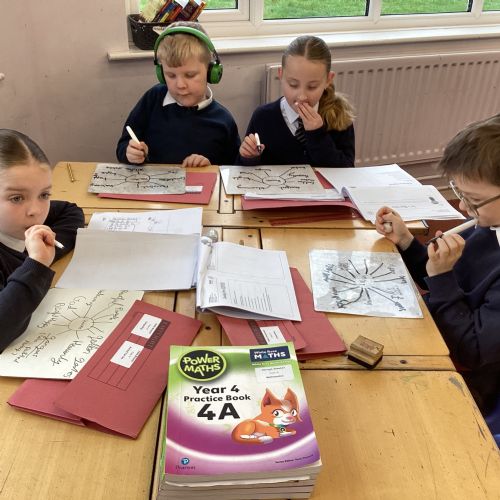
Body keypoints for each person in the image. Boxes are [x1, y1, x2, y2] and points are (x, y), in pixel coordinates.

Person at [375, 114, 500, 414]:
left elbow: (471, 352)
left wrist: (442, 277)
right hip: (439, 335)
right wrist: (407, 242)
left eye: (472, 199)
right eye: (458, 193)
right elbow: (441, 278)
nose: (462, 207)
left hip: (468, 382)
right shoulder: (487, 226)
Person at [0, 129, 84, 351]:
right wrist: (36, 265)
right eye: (16, 198)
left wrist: (47, 249)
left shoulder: (23, 221)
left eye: (44, 195)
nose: (36, 211)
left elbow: (70, 211)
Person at [116, 21, 240, 167]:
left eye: (190, 75)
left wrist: (209, 167)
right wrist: (130, 153)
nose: (180, 85)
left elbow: (233, 168)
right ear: (161, 74)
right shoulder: (152, 100)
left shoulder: (223, 121)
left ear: (210, 72)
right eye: (171, 75)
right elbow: (123, 146)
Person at [237, 35, 355, 168]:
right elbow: (241, 169)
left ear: (328, 80)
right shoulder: (263, 117)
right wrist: (249, 157)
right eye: (293, 85)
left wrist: (317, 135)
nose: (302, 96)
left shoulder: (339, 117)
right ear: (280, 75)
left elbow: (347, 171)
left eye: (312, 87)